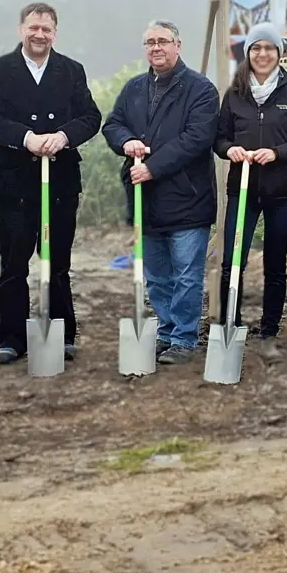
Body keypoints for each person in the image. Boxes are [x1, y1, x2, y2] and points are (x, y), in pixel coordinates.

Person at [0, 2, 101, 364]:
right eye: (33, 27)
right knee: (14, 263)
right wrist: (25, 137)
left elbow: (91, 116)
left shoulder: (71, 71)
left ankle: (61, 332)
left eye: (46, 29)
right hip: (15, 183)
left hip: (60, 181)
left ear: (55, 33)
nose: (39, 34)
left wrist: (64, 136)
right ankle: (11, 338)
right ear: (21, 29)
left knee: (57, 261)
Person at [102, 20, 218, 365]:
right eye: (150, 42)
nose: (156, 47)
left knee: (186, 273)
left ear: (177, 46)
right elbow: (112, 124)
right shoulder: (135, 88)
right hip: (145, 199)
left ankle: (184, 337)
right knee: (156, 274)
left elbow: (196, 138)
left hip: (187, 197)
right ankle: (166, 332)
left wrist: (153, 166)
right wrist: (126, 141)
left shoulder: (200, 89)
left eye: (163, 41)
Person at [212, 22, 287, 360]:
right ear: (248, 54)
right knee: (232, 261)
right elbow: (219, 138)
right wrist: (230, 150)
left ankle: (269, 332)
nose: (262, 54)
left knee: (275, 263)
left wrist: (277, 153)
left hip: (282, 191)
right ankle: (232, 325)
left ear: (278, 54)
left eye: (269, 48)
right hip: (241, 189)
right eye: (256, 48)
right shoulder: (234, 94)